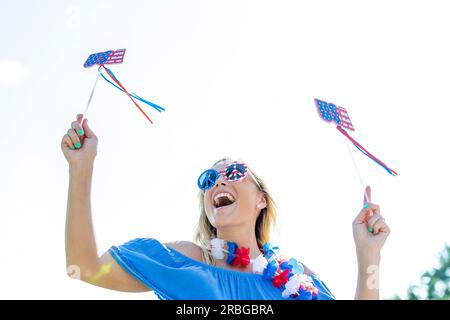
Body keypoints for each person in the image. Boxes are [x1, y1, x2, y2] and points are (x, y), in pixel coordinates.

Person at [61, 114, 390, 300]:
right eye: (208, 179)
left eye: (233, 173)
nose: (218, 183)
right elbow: (83, 268)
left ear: (262, 199)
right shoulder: (185, 260)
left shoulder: (296, 276)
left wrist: (369, 256)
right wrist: (82, 168)